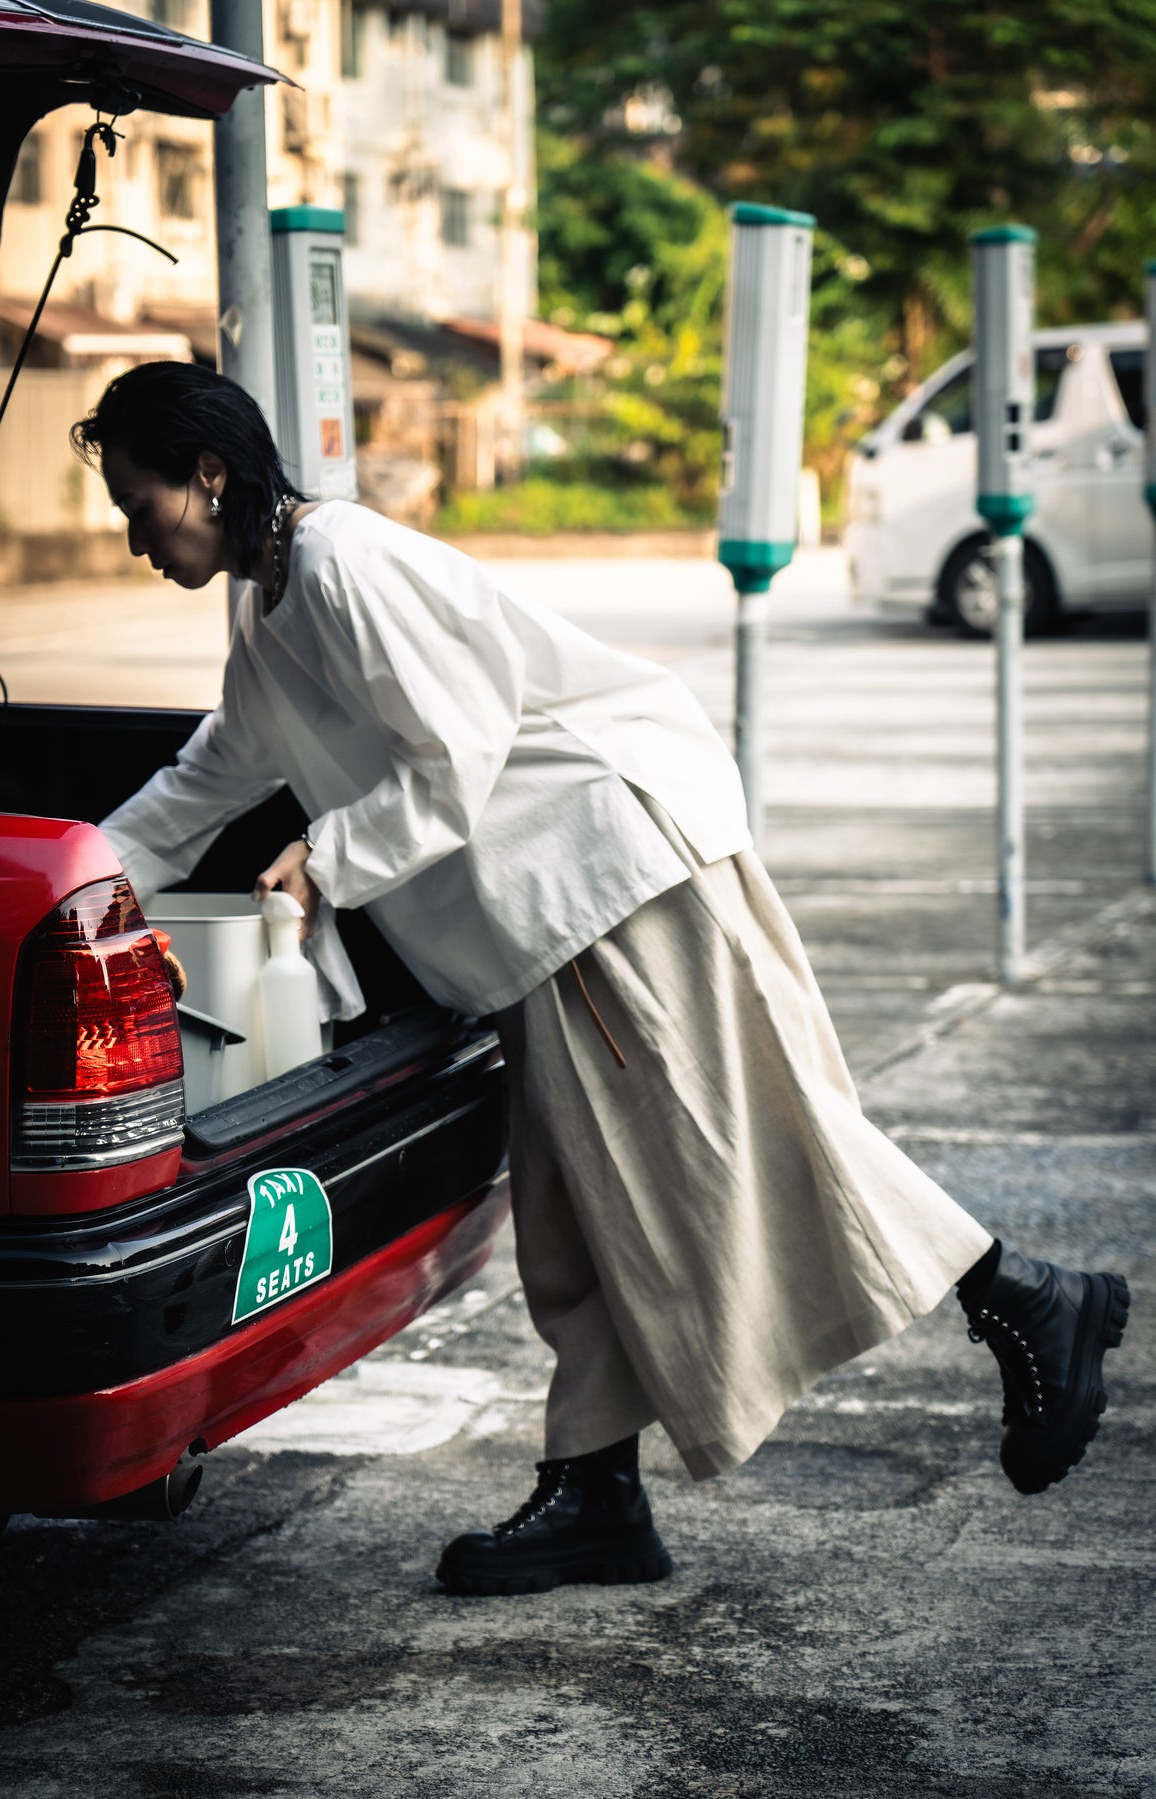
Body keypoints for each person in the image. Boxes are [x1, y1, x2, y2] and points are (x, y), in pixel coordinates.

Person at [74, 361, 1130, 1598]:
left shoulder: (346, 563)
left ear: (209, 473)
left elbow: (459, 749)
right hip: (541, 911)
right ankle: (597, 1490)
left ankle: (1028, 1296)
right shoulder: (271, 608)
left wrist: (329, 854)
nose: (136, 536)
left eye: (140, 503)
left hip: (603, 873)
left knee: (747, 1140)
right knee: (577, 1203)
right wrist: (76, 881)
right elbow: (211, 775)